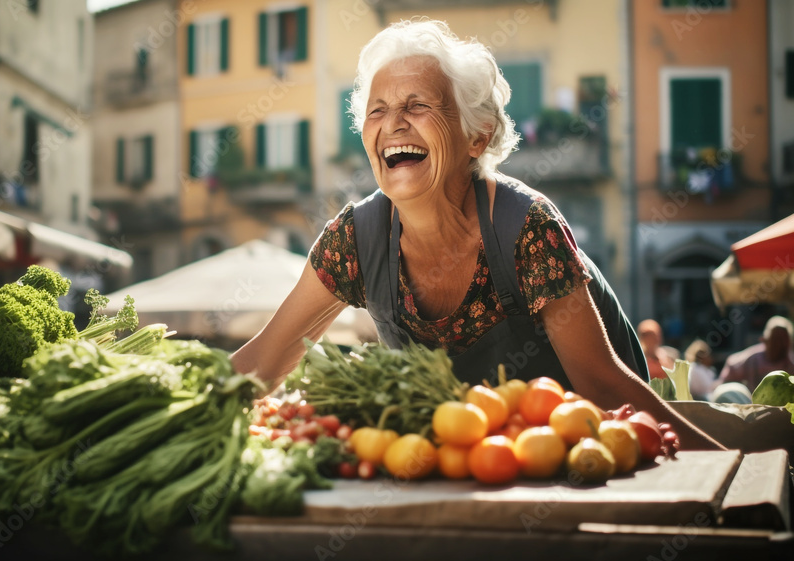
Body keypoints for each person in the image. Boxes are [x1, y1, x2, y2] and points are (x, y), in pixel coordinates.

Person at [231, 19, 723, 451]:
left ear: (476, 136)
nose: (392, 124)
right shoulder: (353, 241)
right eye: (376, 110)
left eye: (417, 104)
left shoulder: (527, 227)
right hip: (472, 470)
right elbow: (263, 363)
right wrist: (169, 399)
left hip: (582, 463)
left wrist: (730, 468)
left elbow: (603, 383)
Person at [715, 315, 794, 393]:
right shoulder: (752, 358)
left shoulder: (790, 363)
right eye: (775, 340)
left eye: (783, 340)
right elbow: (731, 368)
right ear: (764, 340)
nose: (779, 344)